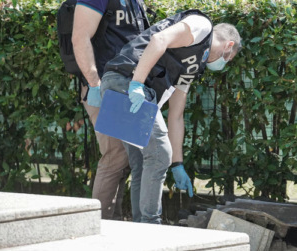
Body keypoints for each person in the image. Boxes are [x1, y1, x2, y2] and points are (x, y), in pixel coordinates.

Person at [100, 9, 241, 224]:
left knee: (141, 160)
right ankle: (151, 226)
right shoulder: (201, 26)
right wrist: (137, 83)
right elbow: (159, 39)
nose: (224, 63)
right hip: (127, 83)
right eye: (228, 59)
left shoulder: (194, 66)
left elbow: (176, 115)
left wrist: (178, 164)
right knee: (158, 155)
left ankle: (141, 230)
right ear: (228, 46)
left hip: (119, 85)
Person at [71, 0, 150, 220]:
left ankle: (111, 221)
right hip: (105, 87)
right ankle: (98, 223)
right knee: (115, 155)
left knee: (125, 158)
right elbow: (80, 37)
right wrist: (95, 86)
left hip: (125, 88)